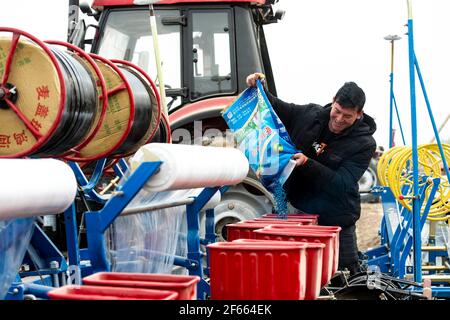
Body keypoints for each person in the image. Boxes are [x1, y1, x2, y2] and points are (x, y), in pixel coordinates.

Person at [246, 73, 377, 275]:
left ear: (359, 114)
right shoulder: (310, 114)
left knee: (343, 277)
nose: (339, 119)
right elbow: (278, 108)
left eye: (347, 116)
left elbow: (341, 184)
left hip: (336, 218)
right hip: (297, 208)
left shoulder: (364, 143)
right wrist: (261, 87)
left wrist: (307, 163)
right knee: (294, 272)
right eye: (337, 111)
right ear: (333, 101)